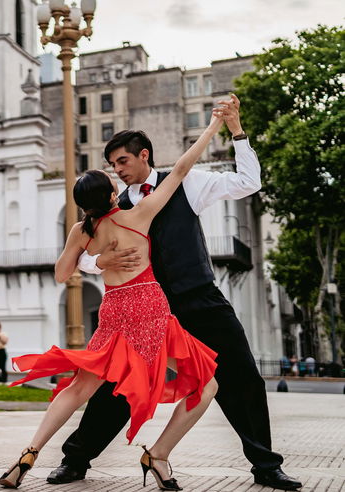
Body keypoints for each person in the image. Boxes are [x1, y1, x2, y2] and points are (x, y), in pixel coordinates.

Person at [42, 95, 301, 491]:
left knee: (241, 378)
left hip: (200, 298)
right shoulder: (114, 206)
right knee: (116, 388)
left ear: (143, 155)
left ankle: (266, 466)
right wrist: (103, 264)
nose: (117, 171)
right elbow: (83, 256)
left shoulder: (189, 182)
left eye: (122, 162)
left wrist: (236, 129)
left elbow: (250, 182)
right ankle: (75, 461)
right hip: (147, 309)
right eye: (111, 166)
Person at [0, 108, 227, 490]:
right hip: (150, 312)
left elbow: (60, 274)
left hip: (114, 313)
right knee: (206, 386)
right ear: (108, 194)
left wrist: (97, 258)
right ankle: (158, 454)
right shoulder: (138, 215)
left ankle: (29, 453)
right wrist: (214, 125)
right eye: (111, 177)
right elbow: (183, 168)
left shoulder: (81, 230)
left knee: (79, 389)